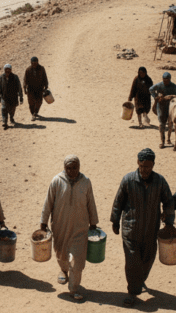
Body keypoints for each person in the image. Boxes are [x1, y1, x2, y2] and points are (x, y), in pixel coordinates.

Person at [110, 148, 175, 306]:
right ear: (137, 163)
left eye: (148, 166)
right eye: (142, 166)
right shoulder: (128, 180)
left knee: (147, 259)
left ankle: (139, 282)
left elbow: (168, 202)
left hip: (150, 231)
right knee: (133, 263)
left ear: (153, 164)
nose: (145, 170)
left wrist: (169, 222)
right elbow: (118, 201)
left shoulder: (160, 181)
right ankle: (132, 293)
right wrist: (115, 220)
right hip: (130, 230)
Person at [40, 155, 99, 302]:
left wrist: (93, 222)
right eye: (69, 168)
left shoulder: (85, 182)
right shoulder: (57, 181)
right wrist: (43, 222)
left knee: (77, 259)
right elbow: (48, 203)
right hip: (60, 226)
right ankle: (64, 270)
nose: (72, 171)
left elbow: (91, 202)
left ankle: (74, 288)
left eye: (75, 167)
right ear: (64, 168)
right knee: (61, 252)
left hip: (80, 228)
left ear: (79, 167)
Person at [149, 72, 176, 149]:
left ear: (169, 79)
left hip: (171, 107)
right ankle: (162, 141)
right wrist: (156, 96)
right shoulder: (159, 85)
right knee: (161, 124)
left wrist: (171, 96)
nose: (165, 81)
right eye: (164, 80)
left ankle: (168, 139)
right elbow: (151, 89)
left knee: (171, 124)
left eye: (167, 80)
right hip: (161, 106)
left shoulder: (174, 86)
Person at [0, 63, 23, 128]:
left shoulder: (15, 77)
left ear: (11, 70)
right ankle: (4, 121)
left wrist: (21, 96)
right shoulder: (2, 77)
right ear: (4, 70)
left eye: (9, 69)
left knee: (12, 109)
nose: (7, 71)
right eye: (6, 69)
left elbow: (19, 86)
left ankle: (11, 117)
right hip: (4, 97)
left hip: (13, 97)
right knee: (4, 109)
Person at [24, 56, 49, 120]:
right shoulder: (28, 69)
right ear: (31, 63)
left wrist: (46, 86)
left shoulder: (41, 68)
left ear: (38, 62)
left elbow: (45, 77)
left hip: (39, 88)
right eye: (32, 63)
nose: (34, 64)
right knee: (31, 102)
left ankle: (36, 112)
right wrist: (24, 88)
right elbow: (25, 79)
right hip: (31, 89)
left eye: (35, 63)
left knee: (39, 101)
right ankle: (33, 113)